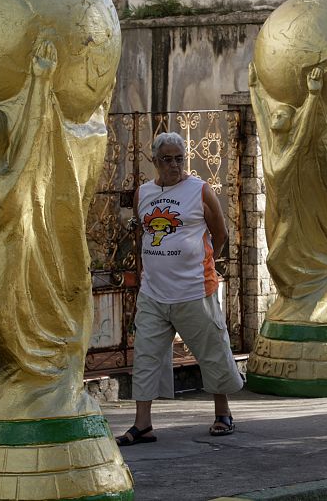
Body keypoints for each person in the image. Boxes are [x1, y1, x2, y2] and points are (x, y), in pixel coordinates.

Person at [117, 131, 243, 446]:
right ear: (155, 162)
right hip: (154, 292)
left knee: (212, 351)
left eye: (179, 159)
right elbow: (144, 231)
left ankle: (222, 413)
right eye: (168, 160)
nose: (174, 165)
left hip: (194, 290)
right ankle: (142, 424)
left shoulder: (200, 190)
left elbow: (220, 234)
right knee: (145, 355)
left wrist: (198, 261)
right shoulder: (143, 193)